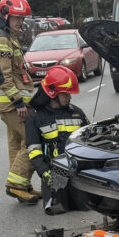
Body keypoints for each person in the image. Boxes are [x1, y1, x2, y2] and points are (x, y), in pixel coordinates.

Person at [0, 0, 39, 204]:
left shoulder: (8, 36)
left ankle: (21, 185)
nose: (21, 22)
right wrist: (18, 102)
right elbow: (2, 74)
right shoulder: (1, 37)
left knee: (16, 145)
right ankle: (16, 185)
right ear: (6, 14)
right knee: (33, 140)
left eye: (23, 18)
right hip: (12, 104)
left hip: (12, 103)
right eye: (18, 18)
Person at [25, 65, 88, 214]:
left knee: (90, 205)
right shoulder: (35, 118)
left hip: (78, 171)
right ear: (53, 94)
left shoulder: (77, 113)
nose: (69, 97)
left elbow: (89, 141)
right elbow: (34, 151)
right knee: (57, 208)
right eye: (65, 94)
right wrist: (44, 172)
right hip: (53, 174)